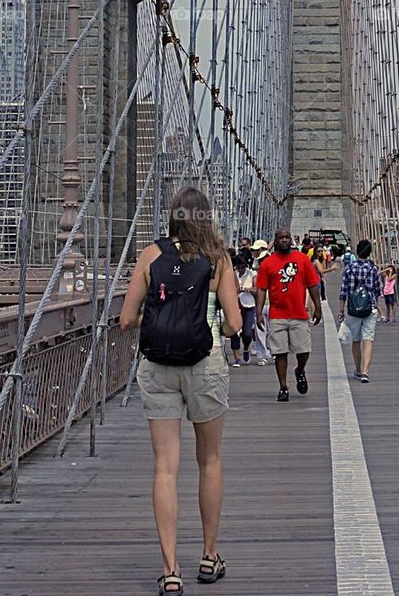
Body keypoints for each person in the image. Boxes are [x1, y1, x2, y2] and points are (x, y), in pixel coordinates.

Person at [121, 185, 242, 594]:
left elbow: (124, 319)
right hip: (205, 365)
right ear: (206, 218)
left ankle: (171, 571)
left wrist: (157, 321)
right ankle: (209, 556)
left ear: (173, 216)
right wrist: (217, 330)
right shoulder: (219, 260)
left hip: (157, 366)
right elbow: (235, 324)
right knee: (209, 460)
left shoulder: (151, 255)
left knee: (165, 468)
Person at [255, 226, 322, 401]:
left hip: (299, 313)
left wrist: (318, 307)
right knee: (280, 352)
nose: (284, 240)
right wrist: (259, 312)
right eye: (281, 237)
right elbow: (262, 289)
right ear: (275, 241)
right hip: (277, 314)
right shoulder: (268, 263)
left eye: (287, 237)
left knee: (304, 350)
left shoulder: (302, 260)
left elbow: (313, 284)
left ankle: (300, 370)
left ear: (291, 240)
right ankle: (283, 387)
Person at [338, 239, 383, 383]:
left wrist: (341, 311)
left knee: (356, 340)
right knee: (368, 339)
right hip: (370, 307)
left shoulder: (349, 268)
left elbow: (343, 291)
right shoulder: (373, 269)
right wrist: (374, 302)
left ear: (357, 251)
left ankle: (357, 369)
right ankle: (365, 372)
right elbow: (378, 289)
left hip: (352, 308)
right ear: (369, 253)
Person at [230, 251, 257, 364]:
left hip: (248, 306)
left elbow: (257, 289)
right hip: (235, 306)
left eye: (243, 266)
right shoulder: (232, 274)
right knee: (234, 332)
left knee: (246, 333)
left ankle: (246, 348)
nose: (241, 268)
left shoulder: (252, 274)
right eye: (239, 266)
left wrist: (249, 289)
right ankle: (237, 358)